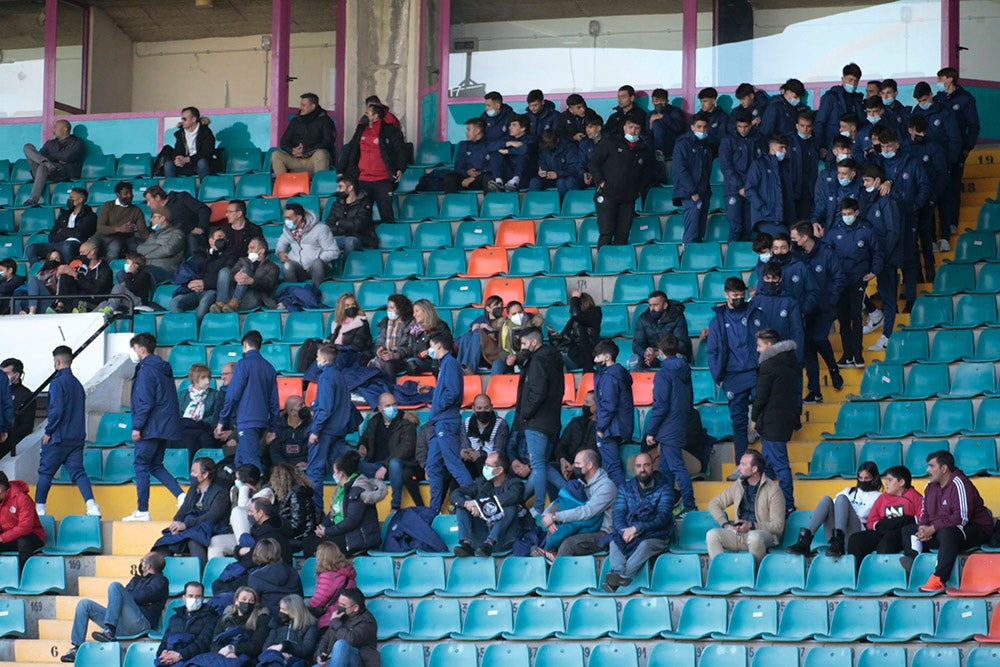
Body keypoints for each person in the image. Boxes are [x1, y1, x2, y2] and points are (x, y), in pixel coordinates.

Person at [900, 450, 994, 592]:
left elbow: (961, 518)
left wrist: (933, 528)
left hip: (974, 530)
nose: (927, 470)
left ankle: (939, 579)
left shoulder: (959, 483)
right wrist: (923, 527)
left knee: (948, 532)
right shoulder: (929, 486)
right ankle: (913, 561)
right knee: (908, 530)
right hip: (943, 530)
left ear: (944, 469)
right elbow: (925, 512)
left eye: (931, 466)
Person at [121, 334, 184, 521]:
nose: (133, 353)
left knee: (141, 465)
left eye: (134, 348)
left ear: (141, 349)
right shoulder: (162, 368)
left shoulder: (147, 370)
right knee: (155, 465)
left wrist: (137, 427)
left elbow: (144, 401)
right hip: (163, 426)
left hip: (150, 426)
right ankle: (181, 496)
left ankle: (142, 510)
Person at [63, 552, 168, 660]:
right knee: (84, 604)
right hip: (122, 623)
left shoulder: (161, 581)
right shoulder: (136, 579)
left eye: (143, 561)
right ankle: (77, 649)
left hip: (141, 623)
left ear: (148, 566)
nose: (141, 564)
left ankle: (109, 630)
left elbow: (141, 596)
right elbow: (132, 596)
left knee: (115, 586)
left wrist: (130, 597)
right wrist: (134, 598)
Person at [35, 346, 101, 518]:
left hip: (59, 437)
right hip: (77, 437)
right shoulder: (77, 384)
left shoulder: (57, 383)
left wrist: (49, 431)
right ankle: (92, 505)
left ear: (57, 362)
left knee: (45, 472)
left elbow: (56, 410)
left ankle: (40, 509)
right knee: (78, 473)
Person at [707, 277, 763, 475]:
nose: (739, 298)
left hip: (756, 373)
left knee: (763, 419)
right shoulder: (718, 321)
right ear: (726, 295)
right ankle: (742, 465)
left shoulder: (755, 314)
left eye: (741, 295)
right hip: (732, 377)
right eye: (735, 295)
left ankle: (767, 464)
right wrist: (718, 377)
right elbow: (712, 351)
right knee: (738, 423)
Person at [602, 453, 673, 592]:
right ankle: (617, 573)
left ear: (652, 467)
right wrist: (624, 531)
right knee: (614, 541)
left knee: (645, 544)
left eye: (646, 465)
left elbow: (663, 517)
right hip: (629, 532)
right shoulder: (625, 488)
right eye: (639, 466)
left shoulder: (664, 487)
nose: (642, 469)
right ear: (634, 469)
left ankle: (620, 578)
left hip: (656, 534)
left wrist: (637, 528)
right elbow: (618, 513)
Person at [790, 221, 845, 402]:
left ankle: (833, 369)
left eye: (795, 238)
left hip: (824, 307)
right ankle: (815, 390)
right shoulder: (795, 255)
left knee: (819, 338)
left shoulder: (827, 253)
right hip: (805, 309)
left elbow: (838, 277)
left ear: (805, 237)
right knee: (808, 349)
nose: (792, 241)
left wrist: (831, 301)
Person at [512, 328, 564, 515]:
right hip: (552, 421)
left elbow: (536, 391)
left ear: (534, 343)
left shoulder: (538, 361)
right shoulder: (554, 359)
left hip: (537, 421)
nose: (523, 348)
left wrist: (525, 414)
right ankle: (570, 494)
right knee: (544, 464)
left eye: (524, 344)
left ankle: (538, 507)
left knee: (538, 466)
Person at [531, 448, 615, 561]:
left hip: (601, 533)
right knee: (555, 527)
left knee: (568, 544)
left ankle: (555, 574)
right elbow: (559, 501)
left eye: (577, 464)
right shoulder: (580, 483)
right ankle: (546, 566)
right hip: (582, 527)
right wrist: (548, 516)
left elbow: (586, 512)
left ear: (589, 465)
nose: (573, 466)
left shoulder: (606, 487)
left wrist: (555, 516)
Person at [644, 333, 695, 516]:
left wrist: (651, 431)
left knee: (676, 466)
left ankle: (690, 505)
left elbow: (661, 405)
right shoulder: (684, 369)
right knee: (665, 469)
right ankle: (665, 504)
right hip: (680, 422)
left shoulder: (663, 374)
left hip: (668, 426)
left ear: (660, 351)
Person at [216, 330, 280, 475]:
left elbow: (232, 395)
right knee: (240, 461)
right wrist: (272, 428)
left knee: (251, 464)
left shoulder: (243, 364)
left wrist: (222, 420)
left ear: (244, 344)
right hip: (262, 421)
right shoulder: (269, 367)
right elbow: (274, 402)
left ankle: (262, 492)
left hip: (247, 420)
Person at [786, 461, 882, 558]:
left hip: (855, 535)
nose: (863, 481)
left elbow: (864, 516)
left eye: (866, 478)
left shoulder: (878, 497)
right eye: (860, 478)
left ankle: (839, 542)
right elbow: (833, 507)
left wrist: (847, 509)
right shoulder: (849, 490)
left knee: (842, 498)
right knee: (826, 500)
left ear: (874, 479)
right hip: (834, 535)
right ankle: (805, 541)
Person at [826, 198, 880, 368]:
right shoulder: (834, 232)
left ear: (856, 212)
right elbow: (826, 254)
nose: (846, 217)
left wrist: (874, 271)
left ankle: (858, 354)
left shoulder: (866, 230)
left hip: (858, 278)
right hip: (839, 281)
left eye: (849, 214)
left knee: (856, 316)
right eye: (844, 214)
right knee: (843, 318)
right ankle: (847, 354)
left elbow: (878, 252)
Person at [750, 329, 799, 512]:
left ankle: (787, 504)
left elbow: (761, 396)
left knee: (779, 464)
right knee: (767, 465)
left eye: (760, 345)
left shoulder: (769, 366)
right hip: (783, 420)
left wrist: (754, 418)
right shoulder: (790, 362)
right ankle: (763, 502)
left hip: (771, 422)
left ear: (769, 346)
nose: (757, 349)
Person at [706, 450, 785, 561]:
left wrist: (752, 526)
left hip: (764, 535)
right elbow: (714, 504)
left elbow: (778, 526)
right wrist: (726, 525)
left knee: (754, 537)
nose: (739, 468)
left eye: (743, 464)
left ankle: (756, 573)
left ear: (754, 469)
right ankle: (722, 571)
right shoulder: (739, 484)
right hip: (739, 533)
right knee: (712, 535)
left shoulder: (773, 490)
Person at [857, 165, 903, 353]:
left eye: (867, 181)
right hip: (872, 256)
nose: (864, 184)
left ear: (877, 181)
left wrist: (882, 257)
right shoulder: (866, 199)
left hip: (887, 258)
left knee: (888, 298)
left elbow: (893, 232)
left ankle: (887, 337)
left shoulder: (887, 200)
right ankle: (875, 316)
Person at [425, 332, 473, 511]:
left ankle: (475, 503)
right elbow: (446, 391)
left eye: (431, 345)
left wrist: (437, 407)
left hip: (446, 421)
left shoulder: (450, 364)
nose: (429, 349)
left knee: (454, 464)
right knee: (433, 465)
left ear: (438, 345)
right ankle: (434, 509)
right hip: (439, 422)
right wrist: (431, 392)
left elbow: (452, 392)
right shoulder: (445, 364)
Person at [589, 113, 654, 246]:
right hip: (607, 194)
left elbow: (647, 174)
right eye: (630, 127)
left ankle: (620, 265)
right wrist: (601, 181)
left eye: (636, 128)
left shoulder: (644, 150)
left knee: (623, 234)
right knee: (606, 232)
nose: (633, 131)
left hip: (628, 198)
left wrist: (638, 191)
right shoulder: (611, 143)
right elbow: (593, 163)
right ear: (624, 128)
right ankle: (603, 263)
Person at [308, 345, 360, 512]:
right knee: (342, 472)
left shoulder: (326, 377)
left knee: (315, 471)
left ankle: (317, 512)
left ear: (323, 359)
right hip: (340, 430)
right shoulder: (340, 376)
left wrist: (316, 430)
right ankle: (346, 509)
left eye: (317, 356)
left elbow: (325, 408)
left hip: (325, 431)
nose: (316, 360)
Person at [307, 451, 386, 557]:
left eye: (334, 472)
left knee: (317, 546)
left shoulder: (358, 489)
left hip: (359, 538)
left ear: (341, 473)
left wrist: (328, 531)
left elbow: (351, 521)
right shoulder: (340, 489)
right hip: (345, 533)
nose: (333, 475)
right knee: (309, 541)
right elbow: (332, 514)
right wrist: (322, 528)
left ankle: (329, 572)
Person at [153, 457, 230, 565]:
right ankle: (159, 574)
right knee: (165, 542)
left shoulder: (221, 492)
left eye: (194, 472)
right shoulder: (193, 489)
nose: (191, 475)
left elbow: (213, 516)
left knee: (194, 540)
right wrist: (176, 523)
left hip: (212, 528)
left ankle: (201, 575)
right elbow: (184, 509)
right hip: (192, 526)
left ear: (205, 474)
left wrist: (185, 525)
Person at [337, 103, 405, 224]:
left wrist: (400, 168)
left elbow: (400, 150)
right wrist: (341, 170)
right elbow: (351, 149)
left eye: (367, 113)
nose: (364, 115)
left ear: (375, 116)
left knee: (386, 214)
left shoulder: (389, 130)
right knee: (362, 215)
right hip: (363, 178)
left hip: (383, 179)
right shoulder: (361, 130)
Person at [934, 68, 979, 249]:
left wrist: (967, 147)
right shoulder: (938, 99)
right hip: (939, 152)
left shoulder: (966, 99)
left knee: (953, 185)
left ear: (950, 79)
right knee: (941, 188)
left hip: (957, 150)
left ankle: (952, 222)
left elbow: (973, 126)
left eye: (940, 78)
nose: (938, 81)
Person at [452, 451, 524, 557]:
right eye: (485, 464)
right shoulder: (482, 482)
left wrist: (480, 506)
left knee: (510, 507)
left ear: (499, 470)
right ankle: (466, 544)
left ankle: (489, 543)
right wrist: (466, 503)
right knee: (463, 504)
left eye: (488, 466)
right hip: (481, 535)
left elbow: (512, 496)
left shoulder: (515, 484)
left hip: (503, 539)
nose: (484, 468)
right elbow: (456, 493)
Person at [358, 393, 422, 511]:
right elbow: (365, 438)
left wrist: (385, 466)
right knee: (355, 464)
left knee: (394, 463)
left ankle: (395, 505)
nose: (392, 408)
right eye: (388, 405)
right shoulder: (374, 421)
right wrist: (362, 446)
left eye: (394, 404)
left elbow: (405, 449)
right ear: (380, 408)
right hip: (376, 468)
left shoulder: (406, 422)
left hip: (399, 467)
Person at [847, 465, 922, 564]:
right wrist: (880, 525)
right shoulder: (882, 498)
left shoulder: (914, 496)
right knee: (856, 539)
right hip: (883, 531)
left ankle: (883, 574)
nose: (886, 483)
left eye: (890, 480)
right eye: (886, 480)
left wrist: (903, 520)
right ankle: (857, 573)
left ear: (902, 482)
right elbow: (871, 522)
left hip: (901, 534)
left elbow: (921, 518)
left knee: (886, 543)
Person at [170, 227, 237, 322]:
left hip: (212, 291)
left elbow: (226, 275)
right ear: (211, 241)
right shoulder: (200, 252)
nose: (222, 240)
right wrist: (189, 284)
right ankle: (183, 327)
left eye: (224, 238)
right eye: (219, 237)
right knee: (175, 302)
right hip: (194, 291)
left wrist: (205, 283)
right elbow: (193, 269)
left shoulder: (230, 255)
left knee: (202, 308)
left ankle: (194, 329)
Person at [208, 465, 274, 560]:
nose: (236, 481)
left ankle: (246, 551)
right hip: (242, 535)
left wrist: (244, 489)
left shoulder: (266, 491)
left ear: (248, 480)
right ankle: (219, 573)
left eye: (238, 479)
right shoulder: (234, 490)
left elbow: (243, 508)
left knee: (238, 511)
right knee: (215, 541)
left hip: (261, 536)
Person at [592, 339, 633, 487]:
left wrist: (601, 428)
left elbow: (609, 405)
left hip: (610, 427)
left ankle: (622, 501)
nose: (595, 359)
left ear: (607, 356)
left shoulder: (609, 376)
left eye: (597, 356)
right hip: (618, 426)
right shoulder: (618, 373)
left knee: (612, 468)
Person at [719, 108, 763, 242]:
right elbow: (726, 167)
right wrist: (740, 186)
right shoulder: (728, 140)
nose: (742, 130)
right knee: (736, 227)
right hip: (734, 189)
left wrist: (751, 187)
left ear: (751, 124)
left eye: (745, 127)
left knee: (749, 227)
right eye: (739, 127)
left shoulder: (759, 139)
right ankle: (732, 259)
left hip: (753, 189)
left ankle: (743, 260)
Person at [671, 112, 714, 244]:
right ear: (692, 127)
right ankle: (687, 260)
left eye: (705, 127)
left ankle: (696, 260)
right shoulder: (683, 144)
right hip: (690, 194)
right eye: (699, 127)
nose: (702, 130)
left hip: (703, 193)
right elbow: (680, 170)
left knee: (700, 232)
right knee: (692, 232)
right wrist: (692, 192)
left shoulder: (706, 146)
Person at [153, 582, 218, 667]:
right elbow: (165, 640)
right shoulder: (175, 618)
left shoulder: (211, 618)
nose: (194, 599)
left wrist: (180, 655)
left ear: (202, 598)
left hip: (193, 661)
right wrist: (162, 653)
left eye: (198, 596)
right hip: (171, 660)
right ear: (184, 598)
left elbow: (203, 643)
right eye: (190, 596)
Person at [26, 187, 97, 264]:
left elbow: (79, 234)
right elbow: (51, 236)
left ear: (80, 200)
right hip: (58, 244)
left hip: (76, 245)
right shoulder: (64, 215)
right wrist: (66, 233)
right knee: (31, 248)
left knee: (67, 246)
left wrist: (63, 232)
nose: (69, 200)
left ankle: (69, 272)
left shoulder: (90, 216)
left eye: (72, 198)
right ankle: (38, 272)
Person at [277, 202, 340, 287]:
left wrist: (316, 259)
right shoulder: (288, 230)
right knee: (288, 265)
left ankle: (316, 292)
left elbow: (334, 252)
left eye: (289, 218)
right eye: (285, 218)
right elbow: (281, 243)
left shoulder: (321, 229)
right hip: (301, 269)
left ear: (298, 218)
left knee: (317, 263)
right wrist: (280, 253)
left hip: (319, 269)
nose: (286, 221)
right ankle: (294, 293)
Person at [21, 119, 83, 206]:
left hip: (60, 172)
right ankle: (48, 165)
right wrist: (51, 161)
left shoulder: (77, 142)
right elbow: (39, 157)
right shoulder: (50, 143)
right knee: (27, 147)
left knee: (43, 166)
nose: (53, 130)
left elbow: (67, 156)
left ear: (65, 129)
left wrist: (50, 156)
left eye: (55, 127)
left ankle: (33, 199)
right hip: (43, 170)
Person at [272, 92, 337, 175]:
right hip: (295, 158)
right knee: (276, 155)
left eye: (303, 105)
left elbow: (328, 142)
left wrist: (306, 150)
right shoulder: (295, 121)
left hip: (313, 158)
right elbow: (284, 142)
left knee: (321, 154)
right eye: (301, 105)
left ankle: (320, 185)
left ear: (313, 106)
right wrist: (292, 150)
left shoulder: (325, 121)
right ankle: (284, 185)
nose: (300, 108)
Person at [204, 586, 271, 665]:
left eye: (251, 601)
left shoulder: (261, 618)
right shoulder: (226, 618)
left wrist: (232, 649)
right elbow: (214, 642)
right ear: (236, 601)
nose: (247, 603)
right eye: (244, 599)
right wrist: (223, 653)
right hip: (221, 656)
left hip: (247, 660)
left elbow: (256, 647)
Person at [212, 237, 281, 313]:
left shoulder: (273, 267)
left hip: (253, 296)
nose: (248, 251)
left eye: (252, 248)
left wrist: (252, 281)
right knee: (224, 271)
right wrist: (235, 276)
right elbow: (233, 272)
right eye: (248, 248)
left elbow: (269, 284)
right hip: (233, 294)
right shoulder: (243, 260)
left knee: (245, 270)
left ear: (262, 251)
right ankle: (220, 303)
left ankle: (235, 302)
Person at [313, 588, 379, 667]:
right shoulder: (341, 617)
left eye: (343, 605)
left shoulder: (367, 622)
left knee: (341, 644)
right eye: (339, 604)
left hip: (359, 662)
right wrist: (320, 653)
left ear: (355, 608)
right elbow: (325, 639)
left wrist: (335, 622)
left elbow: (350, 640)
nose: (339, 607)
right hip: (335, 662)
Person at [548, 391, 597, 496]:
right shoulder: (576, 422)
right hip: (567, 465)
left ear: (596, 407)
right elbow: (561, 445)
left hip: (585, 468)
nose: (584, 405)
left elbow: (593, 452)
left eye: (587, 403)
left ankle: (570, 495)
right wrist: (562, 460)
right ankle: (566, 497)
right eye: (584, 402)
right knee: (546, 468)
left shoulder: (600, 428)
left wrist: (576, 466)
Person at [745, 134, 794, 237]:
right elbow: (749, 189)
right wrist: (763, 208)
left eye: (785, 147)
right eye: (781, 147)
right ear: (772, 146)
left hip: (783, 217)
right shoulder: (758, 164)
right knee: (786, 241)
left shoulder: (784, 166)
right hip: (766, 218)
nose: (784, 151)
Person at [144, 185, 211, 258]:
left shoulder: (181, 198)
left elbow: (204, 210)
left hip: (190, 235)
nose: (148, 204)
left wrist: (201, 227)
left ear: (157, 197)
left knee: (191, 239)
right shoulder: (157, 212)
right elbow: (154, 228)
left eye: (149, 200)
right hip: (170, 239)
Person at [630, 290, 691, 368]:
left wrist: (658, 353)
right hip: (651, 357)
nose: (652, 308)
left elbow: (682, 346)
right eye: (650, 305)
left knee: (678, 358)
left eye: (655, 305)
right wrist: (646, 353)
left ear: (665, 305)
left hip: (671, 355)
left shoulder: (677, 317)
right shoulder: (643, 318)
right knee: (635, 360)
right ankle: (636, 381)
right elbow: (637, 344)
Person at [50, 239, 113, 313]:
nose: (81, 256)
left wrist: (76, 275)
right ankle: (60, 305)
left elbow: (96, 290)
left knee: (76, 301)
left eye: (82, 252)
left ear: (93, 252)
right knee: (65, 276)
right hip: (77, 300)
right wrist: (61, 275)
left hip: (93, 303)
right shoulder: (80, 267)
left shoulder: (105, 270)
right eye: (80, 253)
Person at [0, 472, 46, 571]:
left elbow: (25, 527)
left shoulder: (22, 498)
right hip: (9, 536)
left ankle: (25, 575)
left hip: (32, 536)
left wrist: (2, 537)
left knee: (23, 541)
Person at [815, 63, 864, 153]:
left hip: (852, 147)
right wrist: (820, 146)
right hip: (832, 146)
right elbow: (820, 122)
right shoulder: (830, 97)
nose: (853, 83)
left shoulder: (857, 99)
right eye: (850, 80)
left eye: (856, 81)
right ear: (843, 79)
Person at [247, 538, 303, 616]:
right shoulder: (293, 571)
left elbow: (253, 603)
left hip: (268, 618)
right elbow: (300, 596)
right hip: (294, 615)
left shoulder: (255, 577)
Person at [94, 181, 148, 262]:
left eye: (131, 193)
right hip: (101, 236)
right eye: (126, 193)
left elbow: (143, 232)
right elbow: (100, 228)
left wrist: (152, 241)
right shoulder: (108, 206)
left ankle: (107, 271)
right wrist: (118, 229)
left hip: (119, 239)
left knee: (114, 251)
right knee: (88, 248)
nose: (129, 196)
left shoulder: (136, 210)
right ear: (118, 194)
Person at [267, 464, 316, 552]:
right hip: (295, 535)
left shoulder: (296, 494)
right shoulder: (288, 494)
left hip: (300, 537)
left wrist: (278, 531)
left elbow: (297, 523)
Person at [177, 363, 221, 460]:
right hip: (185, 428)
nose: (208, 380)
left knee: (196, 439)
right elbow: (178, 414)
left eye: (209, 377)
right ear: (195, 379)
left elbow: (216, 416)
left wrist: (198, 422)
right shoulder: (183, 395)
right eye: (203, 377)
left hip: (204, 428)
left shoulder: (215, 395)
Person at [308, 542, 357, 630]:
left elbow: (318, 601)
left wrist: (305, 609)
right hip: (345, 617)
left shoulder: (329, 576)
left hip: (330, 619)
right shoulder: (347, 572)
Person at [460, 394, 509, 480]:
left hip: (489, 463)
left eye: (486, 408)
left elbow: (499, 451)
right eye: (479, 408)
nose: (483, 411)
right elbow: (465, 444)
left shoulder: (501, 424)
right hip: (471, 460)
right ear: (473, 408)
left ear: (491, 407)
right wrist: (466, 452)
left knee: (481, 461)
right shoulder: (466, 423)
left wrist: (481, 454)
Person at [260, 594, 319, 666]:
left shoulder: (310, 625)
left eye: (284, 609)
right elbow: (266, 646)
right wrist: (280, 653)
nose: (280, 612)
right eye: (280, 608)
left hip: (298, 659)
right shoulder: (277, 623)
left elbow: (307, 649)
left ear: (295, 611)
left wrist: (285, 647)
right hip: (275, 657)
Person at [490, 300, 546, 375]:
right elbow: (501, 349)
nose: (518, 315)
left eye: (520, 312)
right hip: (510, 359)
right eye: (514, 314)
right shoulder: (504, 327)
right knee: (497, 364)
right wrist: (507, 358)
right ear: (508, 316)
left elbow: (536, 347)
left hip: (529, 357)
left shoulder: (533, 324)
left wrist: (517, 358)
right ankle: (495, 386)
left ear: (523, 311)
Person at [446, 117, 501, 193]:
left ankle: (489, 203)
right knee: (450, 178)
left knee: (489, 178)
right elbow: (458, 167)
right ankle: (452, 204)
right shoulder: (464, 145)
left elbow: (495, 166)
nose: (466, 132)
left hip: (481, 179)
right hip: (465, 179)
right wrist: (467, 173)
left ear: (477, 131)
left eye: (468, 129)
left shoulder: (490, 144)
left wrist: (475, 177)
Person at [325, 176, 378, 253]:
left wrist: (339, 223)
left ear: (350, 188)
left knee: (350, 242)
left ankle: (347, 265)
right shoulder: (336, 204)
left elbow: (357, 225)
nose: (337, 190)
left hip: (360, 239)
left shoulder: (364, 204)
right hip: (340, 237)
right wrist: (345, 227)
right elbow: (329, 225)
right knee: (321, 241)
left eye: (340, 187)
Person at [368, 294, 416, 379]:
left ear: (401, 309)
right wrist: (380, 349)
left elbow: (410, 348)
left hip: (403, 359)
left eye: (392, 308)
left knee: (389, 365)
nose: (389, 310)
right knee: (373, 364)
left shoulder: (410, 324)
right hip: (386, 356)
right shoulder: (385, 322)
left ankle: (390, 389)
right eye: (388, 308)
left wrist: (395, 355)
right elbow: (380, 341)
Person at [93, 251, 155, 316]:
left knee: (118, 287)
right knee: (104, 303)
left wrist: (129, 273)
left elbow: (131, 288)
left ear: (136, 265)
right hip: (128, 299)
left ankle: (111, 308)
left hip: (139, 302)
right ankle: (88, 319)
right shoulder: (131, 276)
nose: (126, 265)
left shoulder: (144, 275)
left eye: (128, 263)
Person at [163, 107, 217, 178]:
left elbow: (207, 153)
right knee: (169, 165)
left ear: (193, 119)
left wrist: (188, 159)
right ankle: (172, 188)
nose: (182, 121)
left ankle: (205, 187)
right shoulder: (181, 134)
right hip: (186, 165)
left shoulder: (206, 132)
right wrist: (178, 159)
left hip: (200, 164)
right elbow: (177, 150)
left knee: (202, 163)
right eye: (182, 119)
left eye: (184, 119)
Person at [136, 207, 186, 284]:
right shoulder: (152, 235)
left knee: (144, 274)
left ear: (162, 218)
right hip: (147, 268)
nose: (151, 220)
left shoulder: (176, 233)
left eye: (154, 217)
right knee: (123, 274)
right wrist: (158, 245)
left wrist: (146, 256)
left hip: (166, 270)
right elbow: (140, 249)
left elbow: (168, 250)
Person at [402, 299, 451, 374]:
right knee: (411, 363)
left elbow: (446, 345)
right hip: (422, 361)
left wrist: (429, 351)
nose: (414, 315)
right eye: (413, 312)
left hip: (438, 361)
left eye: (417, 311)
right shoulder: (413, 329)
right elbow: (411, 350)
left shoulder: (440, 326)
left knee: (436, 364)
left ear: (426, 311)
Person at [529, 129, 581, 196]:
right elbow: (541, 163)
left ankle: (564, 205)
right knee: (534, 182)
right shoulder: (543, 149)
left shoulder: (569, 147)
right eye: (547, 146)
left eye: (550, 145)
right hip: (548, 178)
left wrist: (557, 174)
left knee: (561, 182)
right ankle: (536, 205)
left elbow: (575, 168)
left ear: (557, 140)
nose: (548, 148)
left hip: (565, 177)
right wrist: (542, 172)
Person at [788, 111, 819, 220]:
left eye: (808, 126)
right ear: (797, 126)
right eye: (802, 126)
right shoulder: (788, 142)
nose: (805, 129)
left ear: (812, 127)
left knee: (804, 224)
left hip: (808, 190)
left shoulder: (815, 143)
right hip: (791, 189)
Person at [1, 359, 35, 448]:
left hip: (9, 443)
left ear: (16, 375)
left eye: (6, 374)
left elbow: (26, 427)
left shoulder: (26, 395)